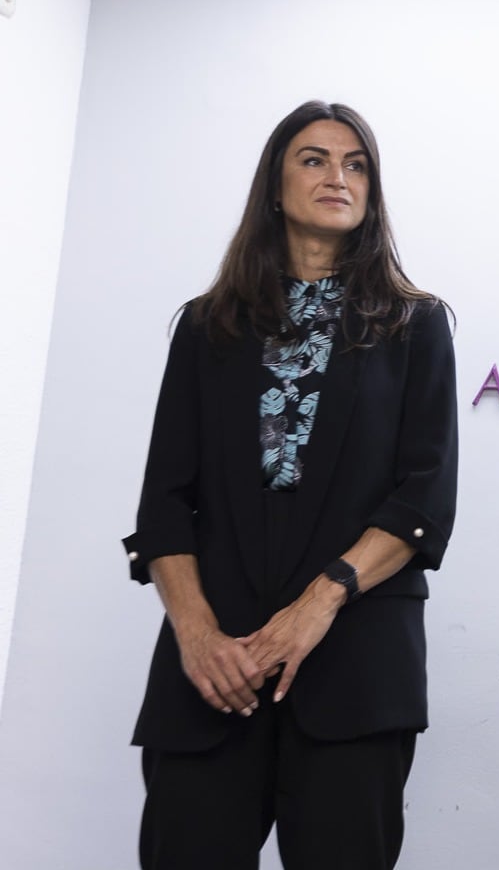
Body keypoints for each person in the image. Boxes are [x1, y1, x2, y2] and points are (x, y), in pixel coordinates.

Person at [123, 101, 458, 870]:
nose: (337, 176)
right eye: (313, 159)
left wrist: (316, 607)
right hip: (214, 672)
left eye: (356, 163)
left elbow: (424, 500)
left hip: (355, 666)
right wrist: (199, 637)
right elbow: (164, 503)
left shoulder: (416, 327)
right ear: (274, 187)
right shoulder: (208, 328)